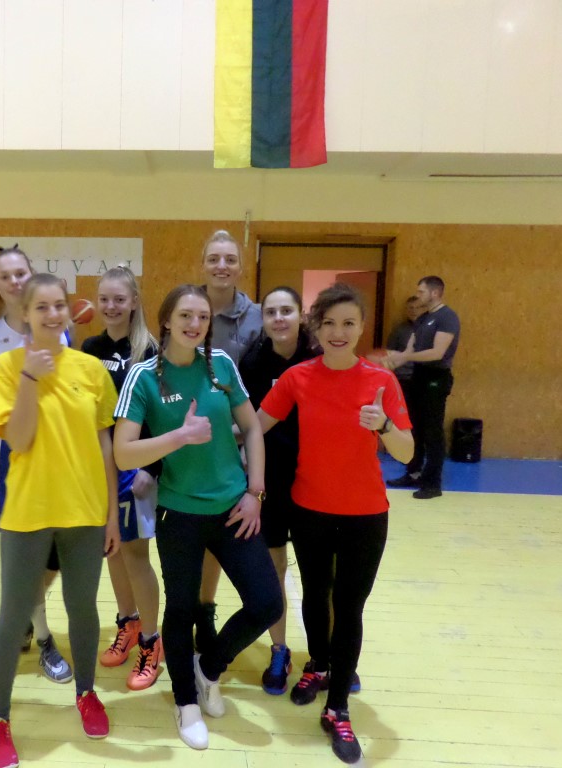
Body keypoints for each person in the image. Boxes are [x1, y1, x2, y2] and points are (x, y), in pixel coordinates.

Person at [114, 284, 282, 751]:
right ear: (166, 320)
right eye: (185, 315)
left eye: (203, 317)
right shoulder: (144, 376)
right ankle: (185, 702)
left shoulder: (221, 365)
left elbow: (252, 428)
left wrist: (255, 492)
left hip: (233, 508)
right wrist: (179, 437)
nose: (195, 324)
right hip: (179, 513)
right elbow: (124, 453)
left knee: (267, 603)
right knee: (182, 608)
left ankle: (208, 669)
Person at [258, 282, 413, 764]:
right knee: (315, 593)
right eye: (329, 323)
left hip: (366, 515)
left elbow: (407, 452)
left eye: (348, 323)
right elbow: (255, 425)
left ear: (362, 327)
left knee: (348, 607)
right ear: (316, 328)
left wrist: (383, 426)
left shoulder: (381, 382)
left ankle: (338, 707)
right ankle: (319, 664)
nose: (338, 332)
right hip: (309, 509)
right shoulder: (298, 377)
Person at [0, 273, 120, 768]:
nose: (52, 314)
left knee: (83, 608)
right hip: (28, 511)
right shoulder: (7, 367)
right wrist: (29, 379)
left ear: (69, 310)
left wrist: (111, 514)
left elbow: (105, 445)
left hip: (85, 510)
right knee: (13, 614)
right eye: (40, 307)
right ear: (23, 314)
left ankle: (86, 692)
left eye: (59, 305)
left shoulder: (91, 369)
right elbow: (18, 440)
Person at [0, 245, 72, 684]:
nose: (14, 281)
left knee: (51, 556)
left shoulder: (58, 328)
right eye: (5, 276)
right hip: (14, 460)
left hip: (59, 464)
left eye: (21, 273)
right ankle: (43, 639)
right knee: (23, 559)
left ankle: (24, 617)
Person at [81, 266, 163, 691]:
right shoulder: (90, 348)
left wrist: (152, 467)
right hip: (99, 468)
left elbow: (162, 413)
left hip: (136, 468)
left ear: (133, 301)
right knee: (110, 549)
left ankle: (151, 642)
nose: (111, 306)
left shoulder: (149, 350)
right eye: (104, 299)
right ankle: (127, 623)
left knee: (134, 555)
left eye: (119, 299)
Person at [238, 286, 319, 695]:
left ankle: (325, 655)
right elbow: (248, 423)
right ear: (263, 319)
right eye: (271, 312)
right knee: (275, 570)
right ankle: (279, 649)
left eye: (287, 310)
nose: (279, 318)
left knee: (319, 574)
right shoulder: (253, 361)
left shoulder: (320, 357)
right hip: (269, 480)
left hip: (315, 481)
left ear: (300, 315)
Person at [196, 229, 263, 655]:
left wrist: (244, 432)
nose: (222, 266)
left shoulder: (257, 317)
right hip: (191, 442)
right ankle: (199, 612)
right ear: (203, 264)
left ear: (240, 266)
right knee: (195, 535)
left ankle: (215, 607)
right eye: (214, 258)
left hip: (239, 444)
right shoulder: (189, 307)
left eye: (230, 259)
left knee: (231, 532)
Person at [386, 276, 460, 499]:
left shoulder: (447, 317)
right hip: (418, 376)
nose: (418, 295)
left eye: (421, 291)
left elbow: (437, 353)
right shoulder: (423, 318)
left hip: (436, 377)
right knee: (415, 427)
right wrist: (392, 360)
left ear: (435, 293)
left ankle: (433, 483)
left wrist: (405, 357)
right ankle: (414, 472)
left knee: (432, 430)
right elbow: (410, 349)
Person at [383, 295, 424, 408]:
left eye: (417, 308)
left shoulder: (430, 329)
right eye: (410, 308)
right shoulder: (399, 330)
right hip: (403, 378)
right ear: (406, 310)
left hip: (423, 378)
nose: (414, 311)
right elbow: (389, 353)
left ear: (423, 309)